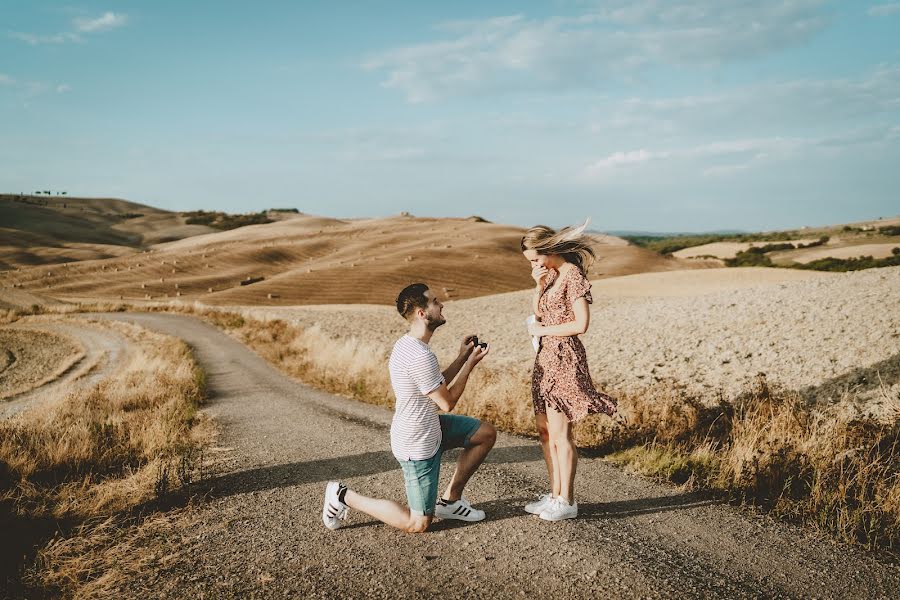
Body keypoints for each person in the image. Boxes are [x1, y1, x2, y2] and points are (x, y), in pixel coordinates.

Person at [322, 283, 496, 533]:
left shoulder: (410, 345)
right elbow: (447, 402)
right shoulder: (419, 355)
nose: (442, 304)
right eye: (435, 301)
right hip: (417, 442)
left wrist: (461, 357)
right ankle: (342, 496)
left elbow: (435, 385)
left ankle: (450, 502)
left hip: (430, 427)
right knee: (418, 524)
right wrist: (470, 365)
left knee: (485, 434)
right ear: (422, 314)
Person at [521, 220, 617, 521]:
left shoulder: (572, 275)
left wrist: (544, 328)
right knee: (545, 432)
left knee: (562, 435)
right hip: (544, 359)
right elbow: (537, 313)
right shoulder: (549, 276)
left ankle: (567, 500)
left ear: (550, 249)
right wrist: (537, 284)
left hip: (563, 358)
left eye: (536, 259)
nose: (535, 264)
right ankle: (554, 494)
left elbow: (581, 324)